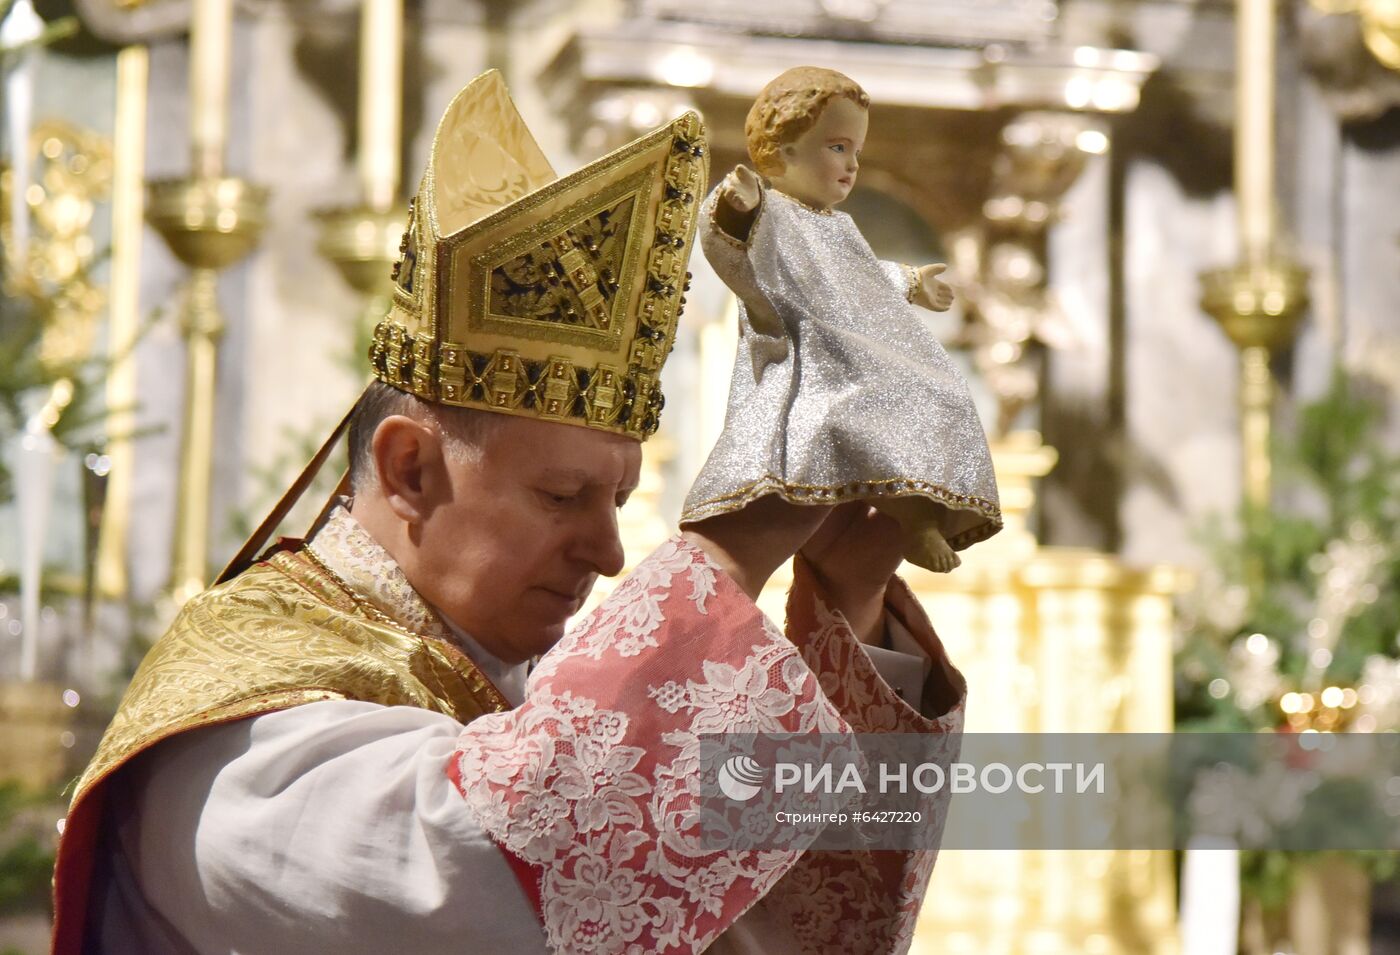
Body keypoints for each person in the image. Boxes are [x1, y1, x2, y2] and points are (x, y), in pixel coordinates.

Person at [50, 71, 968, 955]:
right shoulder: (242, 730)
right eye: (562, 495)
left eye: (617, 497)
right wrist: (726, 562)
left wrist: (848, 598)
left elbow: (780, 928)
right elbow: (494, 878)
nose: (611, 552)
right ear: (409, 468)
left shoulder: (522, 687)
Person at [680, 66, 1003, 573]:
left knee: (943, 388)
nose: (852, 164)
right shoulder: (770, 211)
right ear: (783, 150)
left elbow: (862, 279)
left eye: (856, 151)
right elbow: (728, 243)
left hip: (849, 346)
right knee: (870, 392)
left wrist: (915, 283)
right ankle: (909, 515)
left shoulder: (838, 225)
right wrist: (735, 207)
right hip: (806, 350)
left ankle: (916, 511)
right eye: (837, 148)